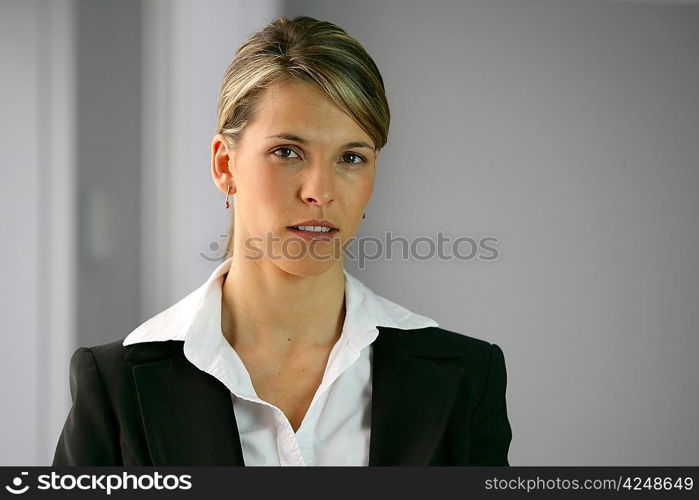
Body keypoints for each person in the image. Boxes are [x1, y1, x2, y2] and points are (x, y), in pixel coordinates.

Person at [52, 15, 512, 466]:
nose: (320, 190)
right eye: (287, 152)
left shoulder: (466, 376)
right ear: (224, 166)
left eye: (351, 157)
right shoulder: (115, 386)